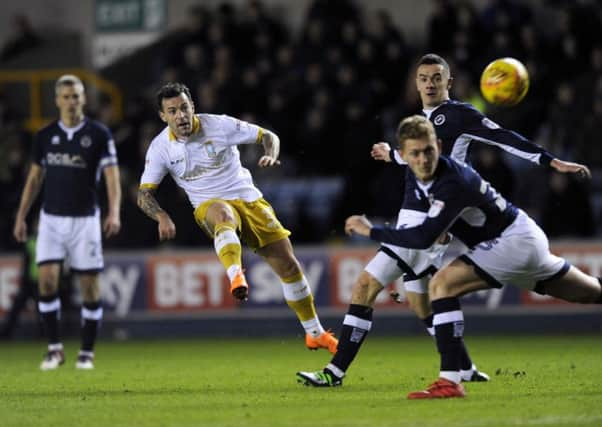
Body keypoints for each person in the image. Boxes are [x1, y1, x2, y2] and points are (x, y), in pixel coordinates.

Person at [296, 53, 591, 388]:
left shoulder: (459, 114)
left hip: (427, 220)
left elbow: (504, 137)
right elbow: (420, 159)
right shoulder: (420, 122)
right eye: (423, 78)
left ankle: (335, 372)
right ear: (416, 83)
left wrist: (551, 161)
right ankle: (462, 367)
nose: (430, 84)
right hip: (417, 219)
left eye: (437, 77)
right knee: (421, 301)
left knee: (366, 285)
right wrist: (392, 155)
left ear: (448, 82)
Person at [346, 115, 600, 399]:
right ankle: (454, 377)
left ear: (439, 146)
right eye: (415, 154)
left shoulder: (452, 180)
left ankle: (450, 381)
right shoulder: (424, 178)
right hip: (522, 238)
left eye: (428, 150)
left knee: (441, 286)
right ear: (404, 157)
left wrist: (370, 231)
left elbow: (422, 237)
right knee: (590, 292)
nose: (423, 158)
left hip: (510, 242)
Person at [137, 82, 337, 353]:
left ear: (193, 106)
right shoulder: (160, 148)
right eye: (172, 111)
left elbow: (269, 136)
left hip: (248, 199)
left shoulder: (218, 125)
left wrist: (270, 154)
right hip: (209, 206)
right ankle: (236, 276)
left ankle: (315, 333)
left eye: (184, 108)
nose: (180, 116)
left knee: (290, 267)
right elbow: (144, 194)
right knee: (222, 213)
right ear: (163, 116)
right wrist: (161, 216)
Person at [13, 74, 121, 370]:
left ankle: (86, 352)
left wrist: (114, 212)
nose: (72, 101)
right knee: (46, 282)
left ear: (83, 99)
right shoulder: (45, 136)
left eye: (77, 96)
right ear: (57, 100)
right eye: (67, 96)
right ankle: (54, 349)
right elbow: (34, 179)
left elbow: (112, 177)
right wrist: (22, 215)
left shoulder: (99, 135)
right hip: (51, 219)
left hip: (85, 220)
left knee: (89, 286)